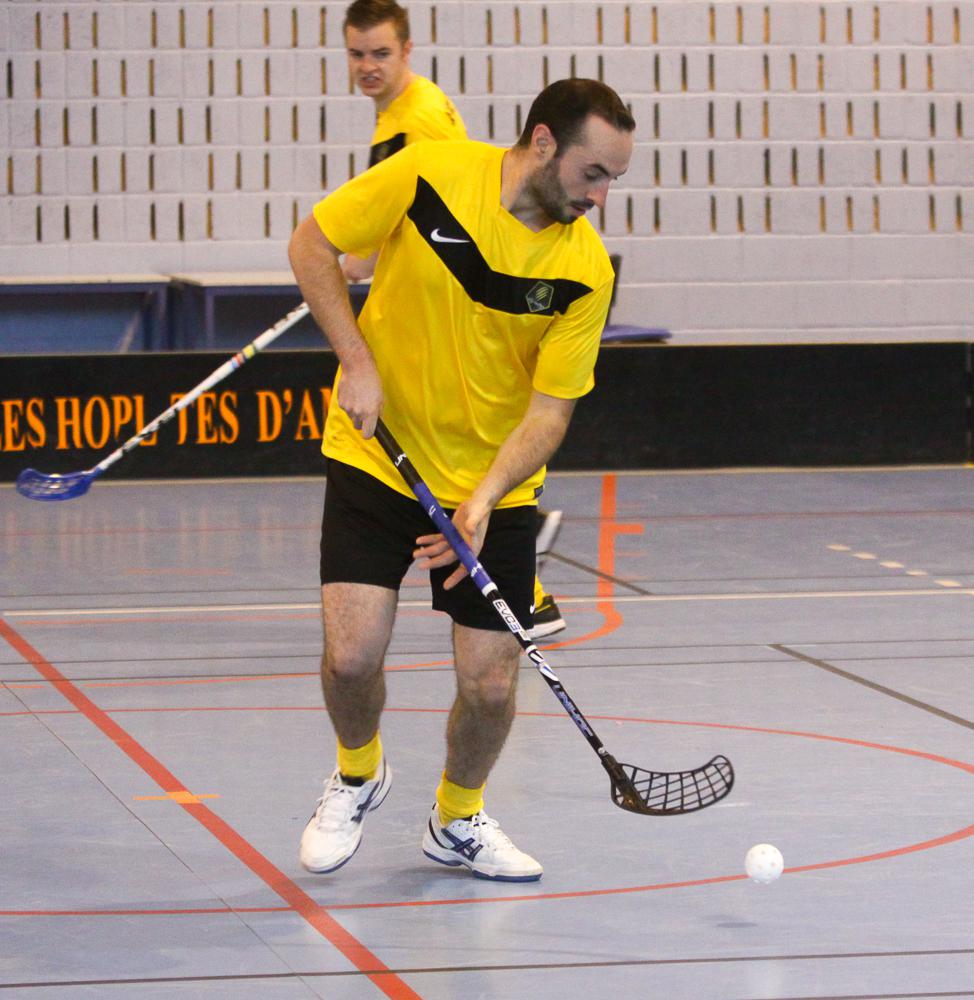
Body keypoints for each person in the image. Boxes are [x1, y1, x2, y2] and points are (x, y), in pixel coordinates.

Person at [289, 77, 635, 881]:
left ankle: (457, 817)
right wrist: (356, 362)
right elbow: (312, 246)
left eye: (613, 179)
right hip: (379, 455)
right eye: (593, 173)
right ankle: (357, 774)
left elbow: (549, 414)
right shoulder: (431, 173)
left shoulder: (584, 270)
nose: (601, 197)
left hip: (492, 485)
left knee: (489, 686)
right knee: (350, 659)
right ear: (543, 143)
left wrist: (481, 500)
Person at [342, 0, 567, 638]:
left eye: (381, 53)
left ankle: (523, 570)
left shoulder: (415, 122)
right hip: (445, 287)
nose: (367, 66)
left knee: (449, 435)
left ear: (407, 51)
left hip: (457, 296)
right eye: (357, 53)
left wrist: (359, 257)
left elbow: (434, 204)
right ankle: (524, 562)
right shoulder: (408, 107)